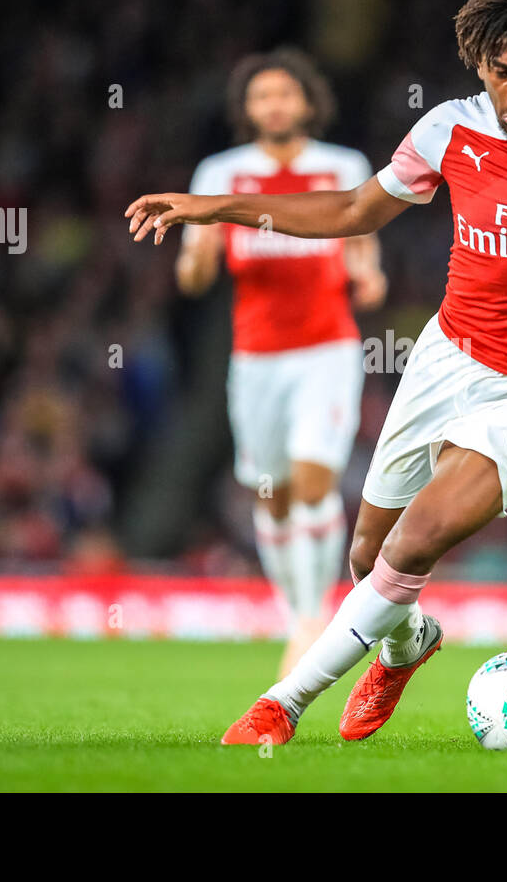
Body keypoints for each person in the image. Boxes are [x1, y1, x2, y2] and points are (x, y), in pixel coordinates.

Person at [126, 0, 507, 745]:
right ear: (479, 67)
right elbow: (349, 209)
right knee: (368, 553)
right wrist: (217, 207)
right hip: (445, 359)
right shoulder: (446, 129)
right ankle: (407, 647)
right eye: (503, 73)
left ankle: (283, 702)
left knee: (414, 538)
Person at [175, 48, 386, 678]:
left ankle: (310, 621)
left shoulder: (341, 167)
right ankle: (296, 609)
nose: (274, 105)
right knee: (270, 494)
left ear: (307, 102)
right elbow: (196, 269)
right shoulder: (220, 172)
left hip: (326, 348)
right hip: (257, 358)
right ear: (247, 110)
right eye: (262, 96)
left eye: (285, 94)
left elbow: (362, 252)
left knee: (315, 480)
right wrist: (192, 260)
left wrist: (369, 277)